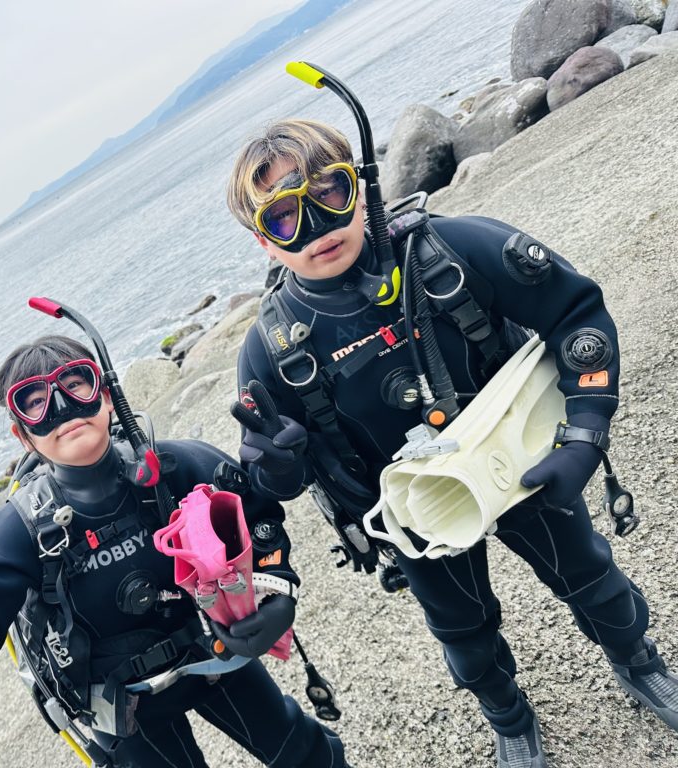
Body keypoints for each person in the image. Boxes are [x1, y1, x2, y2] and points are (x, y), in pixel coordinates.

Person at [225, 117, 678, 768]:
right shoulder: (269, 350)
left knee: (590, 575)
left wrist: (584, 435)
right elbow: (269, 490)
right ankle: (508, 718)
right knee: (463, 632)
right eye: (284, 217)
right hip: (414, 510)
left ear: (363, 185)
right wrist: (275, 469)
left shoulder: (451, 249)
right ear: (263, 241)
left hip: (516, 461)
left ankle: (639, 662)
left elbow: (575, 313)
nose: (317, 226)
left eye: (329, 193)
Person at [0, 334, 352, 768]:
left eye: (75, 384)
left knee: (305, 754)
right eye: (36, 402)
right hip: (121, 704)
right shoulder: (20, 531)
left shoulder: (177, 467)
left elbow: (259, 519)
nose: (62, 407)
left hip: (211, 649)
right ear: (23, 436)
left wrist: (279, 591)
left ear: (106, 395)